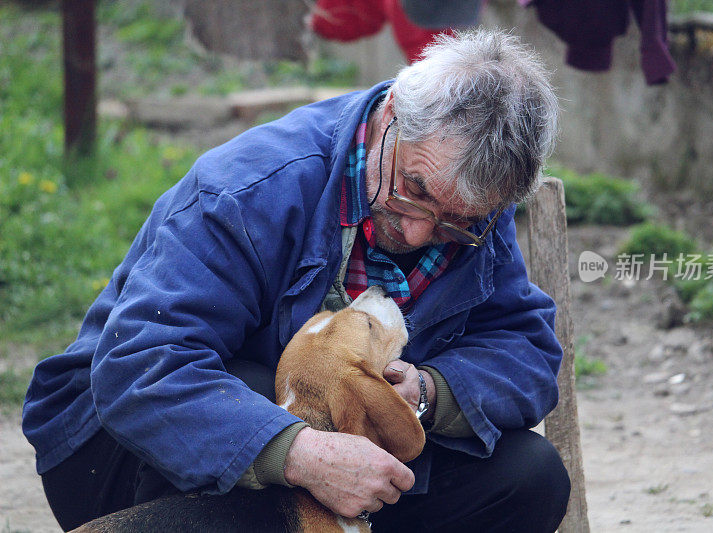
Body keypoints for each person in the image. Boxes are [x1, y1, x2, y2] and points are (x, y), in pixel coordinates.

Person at [23, 29, 570, 532]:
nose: (418, 228)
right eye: (414, 189)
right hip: (120, 452)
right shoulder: (247, 190)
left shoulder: (470, 214)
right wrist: (299, 452)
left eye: (455, 220)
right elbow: (138, 367)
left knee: (530, 476)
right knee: (262, 385)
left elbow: (524, 347)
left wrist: (425, 393)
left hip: (343, 463)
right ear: (392, 115)